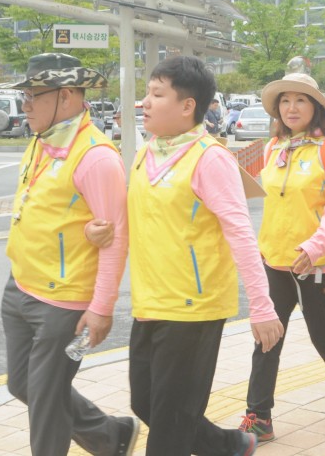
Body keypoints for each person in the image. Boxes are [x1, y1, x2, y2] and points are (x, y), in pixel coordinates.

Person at [125, 56, 283, 456]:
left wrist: (261, 307)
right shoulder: (148, 153)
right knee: (145, 403)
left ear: (186, 106)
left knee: (169, 431)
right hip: (150, 302)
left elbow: (241, 234)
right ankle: (229, 444)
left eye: (156, 94)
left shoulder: (209, 158)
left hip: (194, 308)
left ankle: (227, 444)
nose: (145, 101)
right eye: (147, 92)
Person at [0, 53, 138, 456]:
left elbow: (116, 239)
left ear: (67, 96)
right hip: (21, 286)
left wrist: (102, 308)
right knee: (22, 385)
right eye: (23, 96)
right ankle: (112, 437)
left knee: (45, 400)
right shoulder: (42, 140)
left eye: (32, 96)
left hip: (63, 301)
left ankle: (107, 438)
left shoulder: (96, 157)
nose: (24, 105)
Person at [240, 73, 325, 441]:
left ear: (315, 107)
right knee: (267, 338)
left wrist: (313, 248)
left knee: (322, 334)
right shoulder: (272, 149)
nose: (291, 107)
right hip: (275, 260)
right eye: (285, 101)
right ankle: (258, 415)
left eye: (300, 100)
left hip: (319, 263)